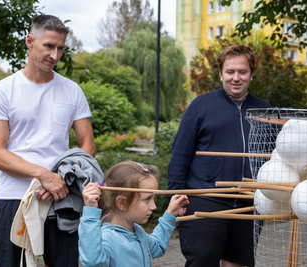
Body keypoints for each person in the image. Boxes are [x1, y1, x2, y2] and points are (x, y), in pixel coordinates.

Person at [0, 15, 96, 267]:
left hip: (62, 197)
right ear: (30, 41)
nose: (55, 55)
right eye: (49, 46)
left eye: (61, 48)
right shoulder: (4, 90)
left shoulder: (73, 90)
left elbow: (87, 146)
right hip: (15, 198)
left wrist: (62, 178)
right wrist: (44, 176)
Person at [167, 45, 271, 267]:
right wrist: (175, 196)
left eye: (242, 72)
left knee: (238, 264)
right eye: (230, 71)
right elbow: (180, 155)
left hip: (249, 203)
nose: (236, 78)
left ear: (251, 74)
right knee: (202, 262)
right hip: (205, 199)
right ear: (221, 73)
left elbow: (274, 157)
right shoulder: (200, 106)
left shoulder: (264, 110)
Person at [78, 161, 189, 267]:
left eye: (153, 198)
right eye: (147, 199)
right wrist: (90, 211)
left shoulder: (138, 232)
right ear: (122, 203)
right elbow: (93, 262)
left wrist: (170, 214)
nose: (153, 206)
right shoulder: (109, 238)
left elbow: (157, 246)